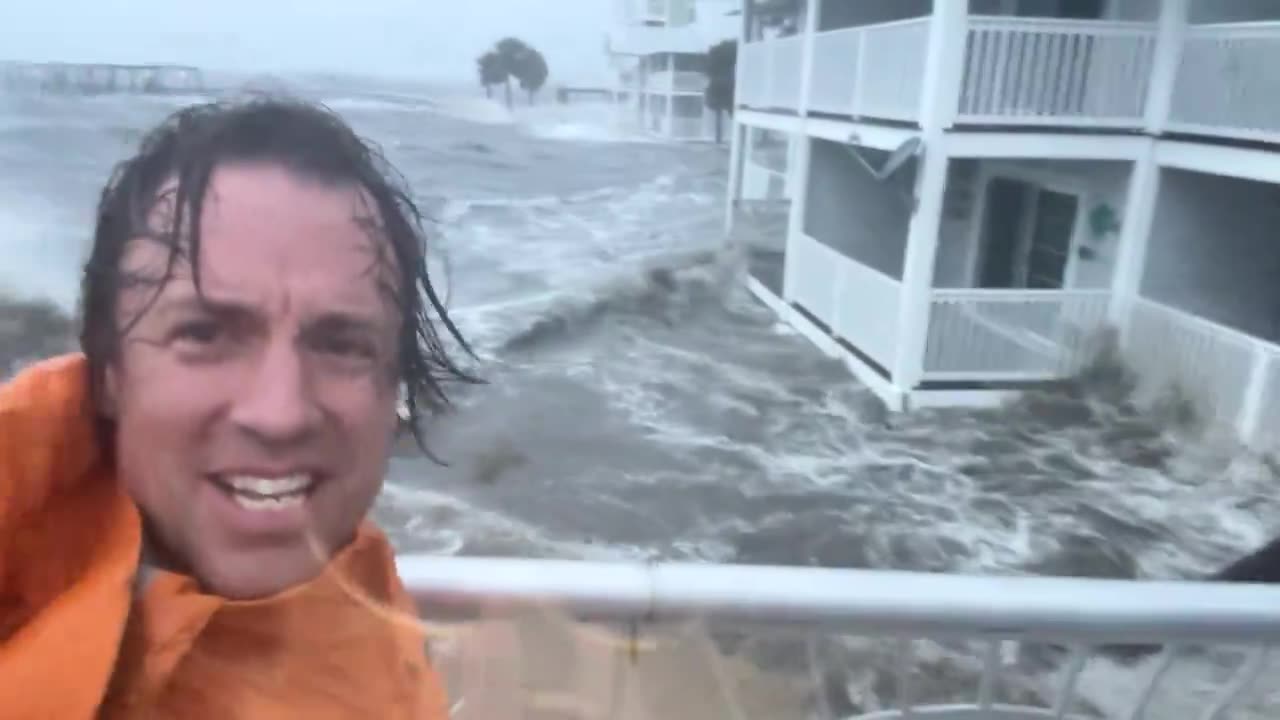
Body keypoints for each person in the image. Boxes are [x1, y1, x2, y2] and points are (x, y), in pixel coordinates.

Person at [0, 97, 477, 717]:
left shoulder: (384, 659)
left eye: (341, 344)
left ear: (393, 394)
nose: (279, 414)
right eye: (203, 334)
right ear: (110, 373)